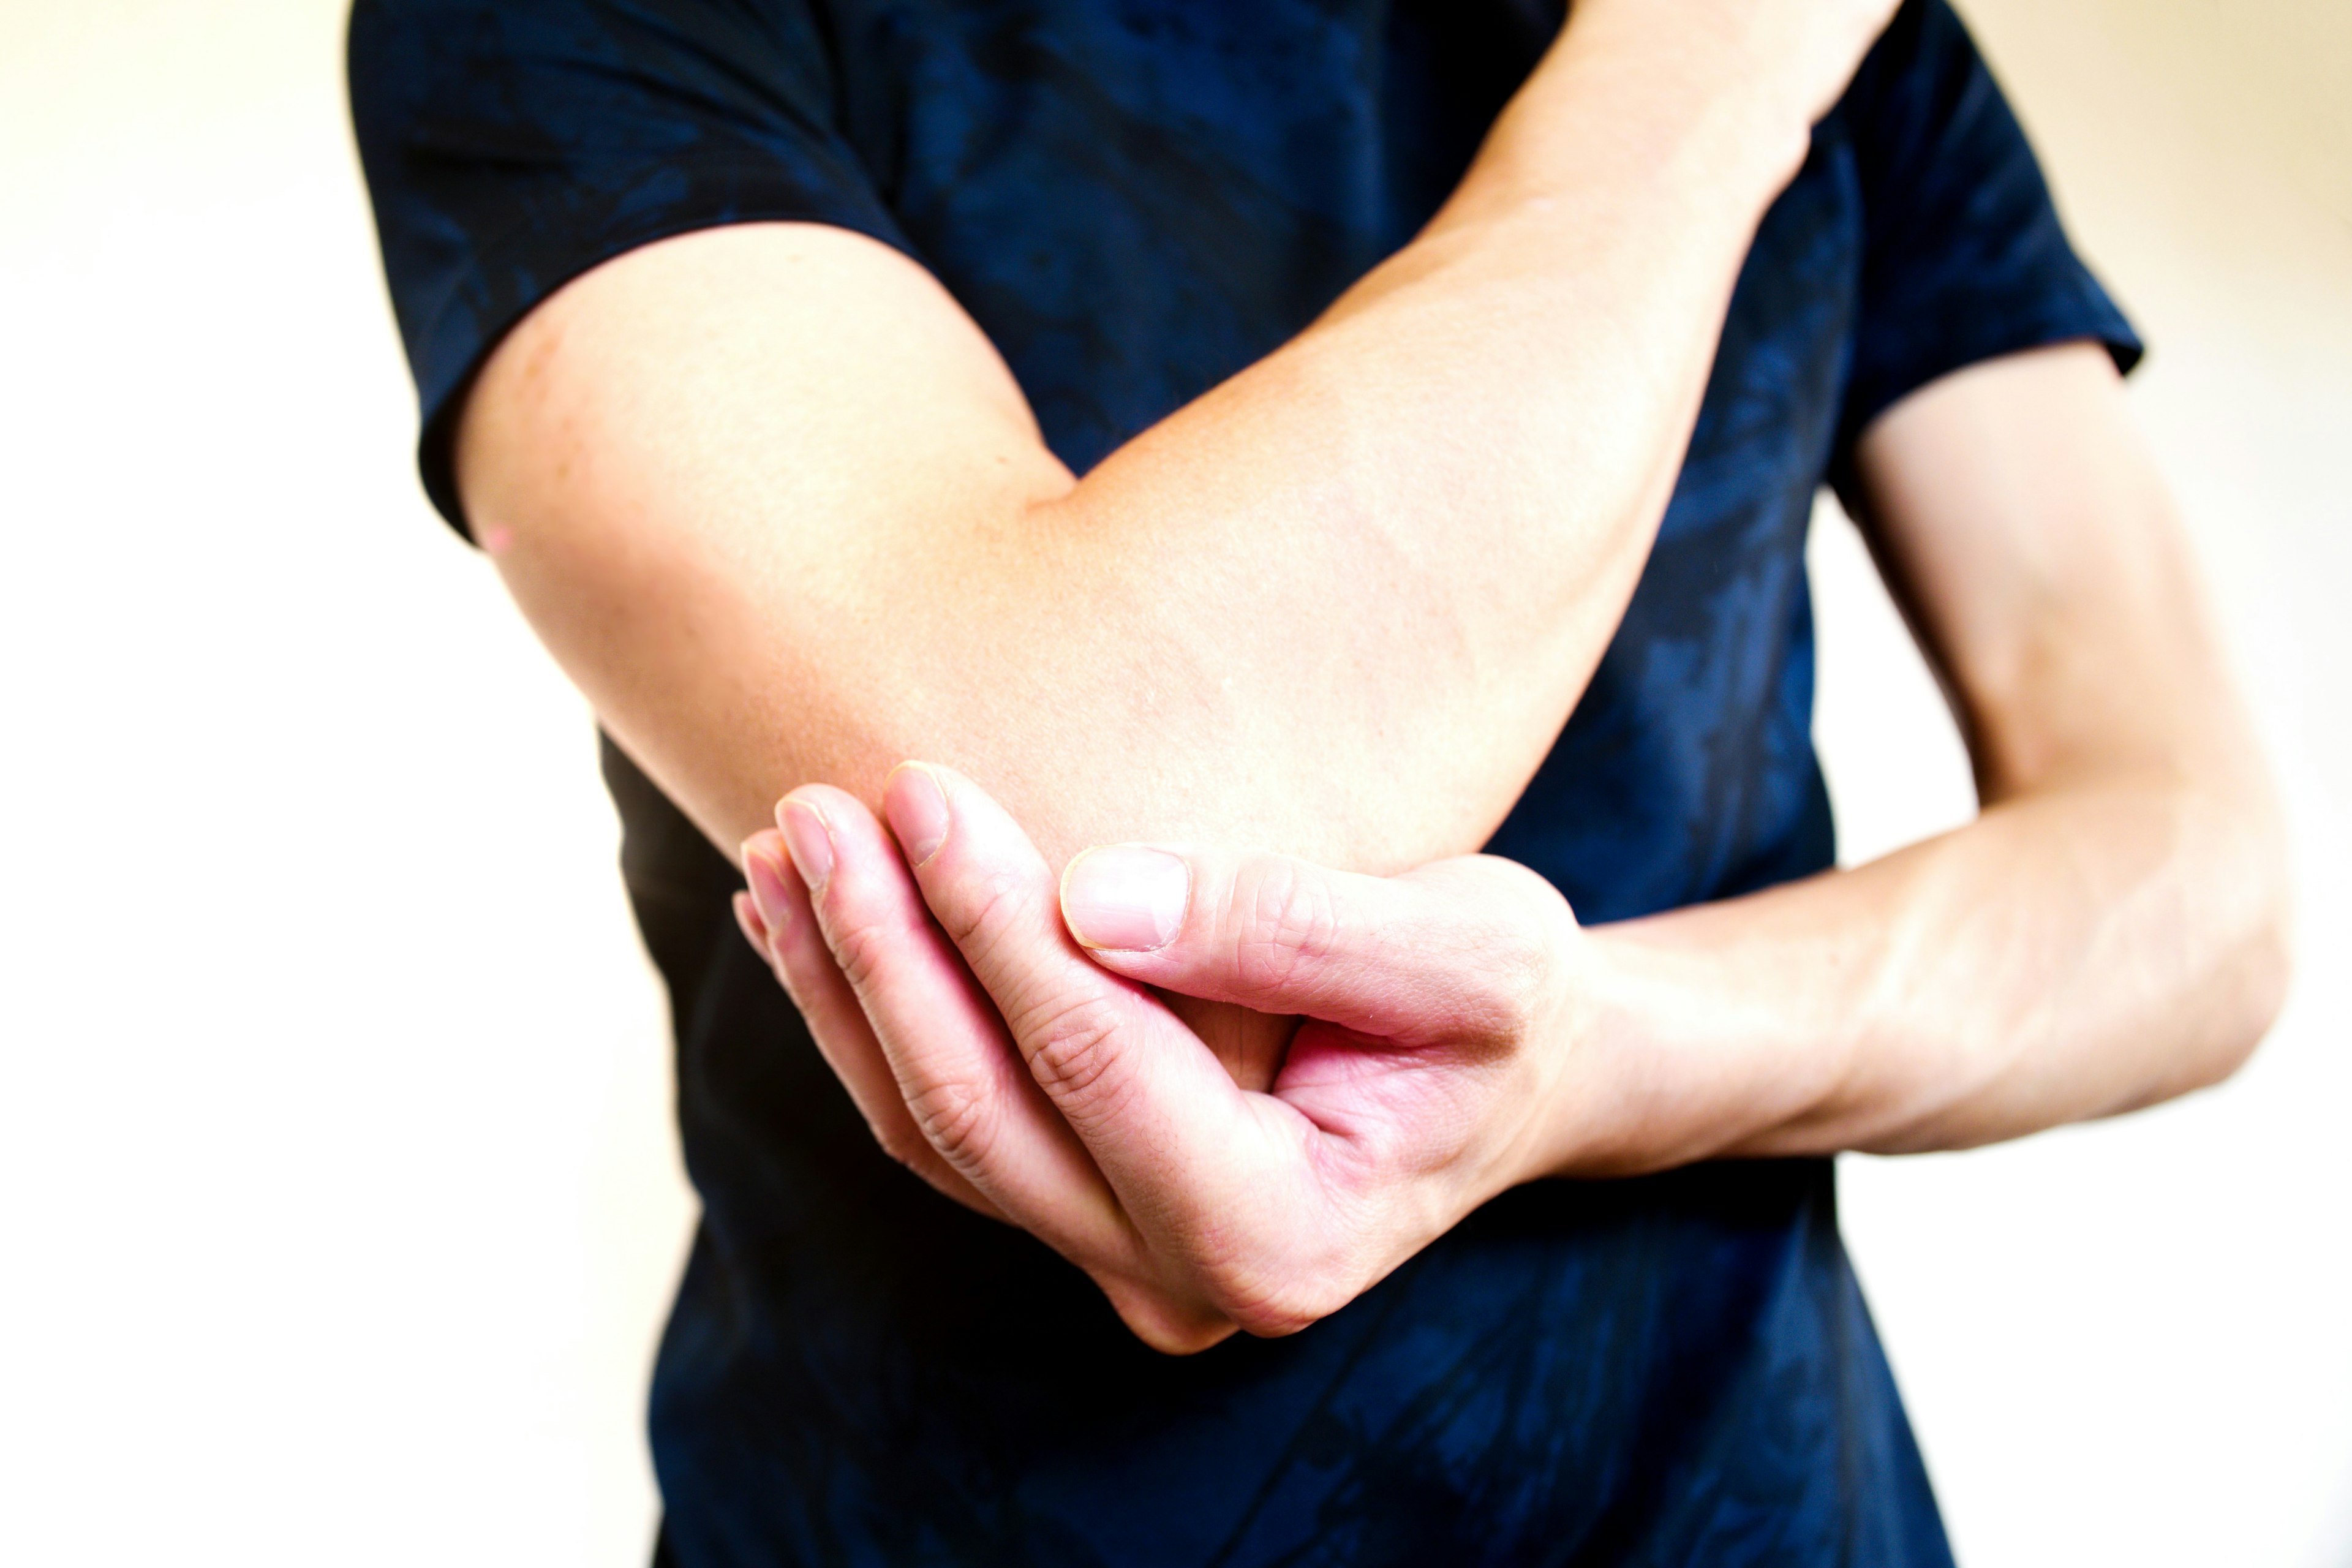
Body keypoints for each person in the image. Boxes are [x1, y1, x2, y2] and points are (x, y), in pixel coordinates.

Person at [350, 0, 2289, 1560]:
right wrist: (1705, 65)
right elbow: (1106, 832)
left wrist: (1597, 1052)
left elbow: (2193, 870)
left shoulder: (1890, 63)